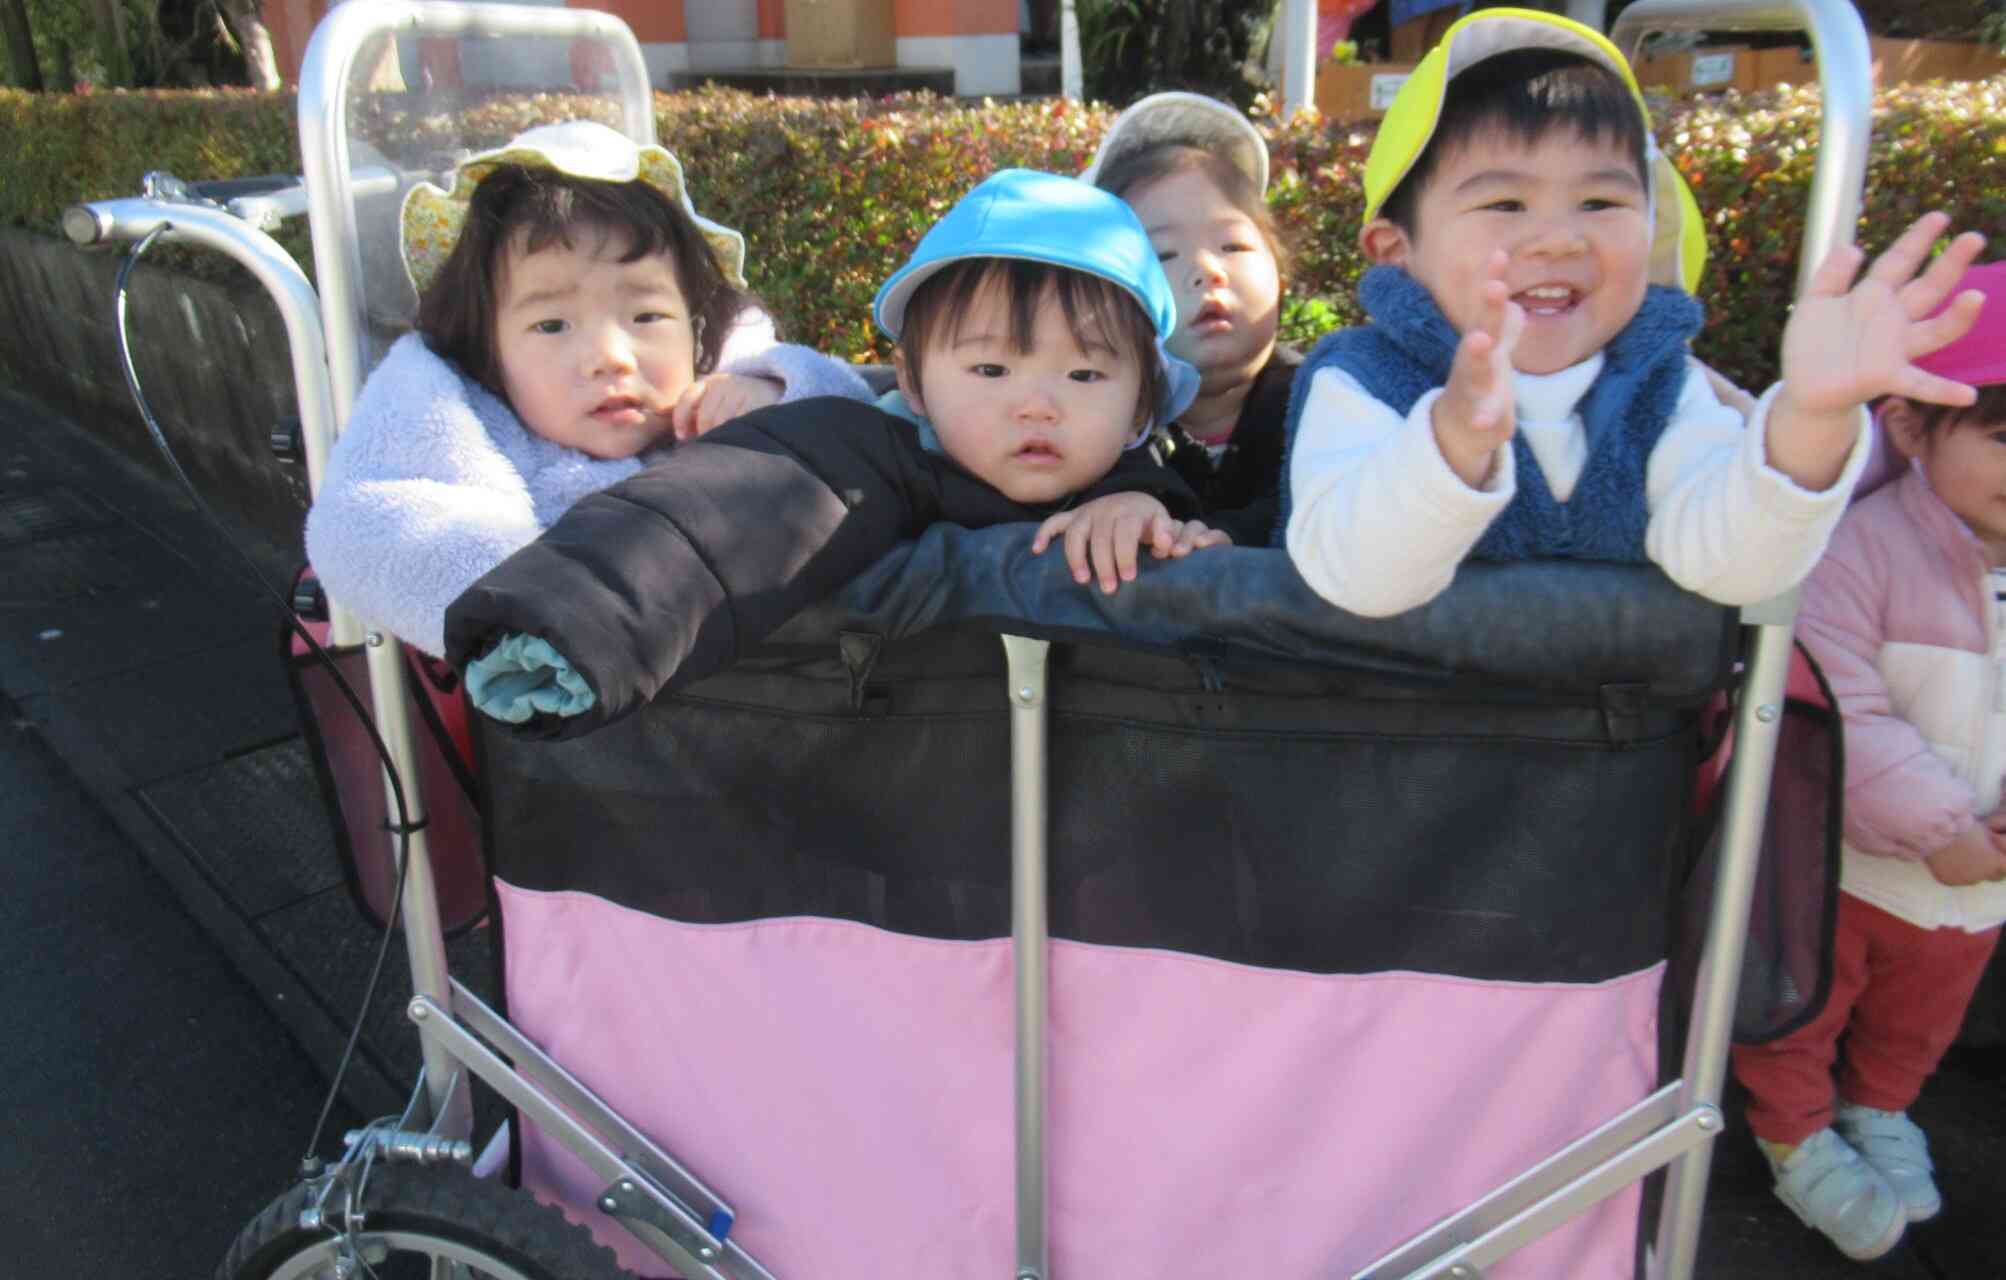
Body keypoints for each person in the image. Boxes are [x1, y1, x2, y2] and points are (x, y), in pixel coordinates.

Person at [442, 168, 1224, 736]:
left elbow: (1226, 570)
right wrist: (574, 627)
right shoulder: (864, 452)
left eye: (1085, 372)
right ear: (914, 383)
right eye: (989, 368)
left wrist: (1149, 510)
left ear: (1142, 405)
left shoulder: (1137, 487)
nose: (1036, 402)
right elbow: (712, 524)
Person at [1281, 9, 1987, 619]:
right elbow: (1355, 579)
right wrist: (1452, 443)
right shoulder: (1362, 382)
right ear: (1395, 249)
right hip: (1382, 757)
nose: (1560, 238)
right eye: (1505, 204)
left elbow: (1730, 564)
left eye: (1601, 203)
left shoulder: (1660, 390)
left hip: (1610, 764)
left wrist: (1814, 418)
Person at [303, 120, 873, 656]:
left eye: (646, 316)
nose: (610, 358)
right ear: (488, 351)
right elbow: (375, 522)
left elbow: (864, 429)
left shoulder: (730, 392)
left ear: (699, 323)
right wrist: (543, 609)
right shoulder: (472, 429)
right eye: (551, 325)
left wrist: (779, 402)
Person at [1729, 261, 2006, 1262]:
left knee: (1920, 1016)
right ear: (1908, 425)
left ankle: (1880, 1105)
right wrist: (1941, 823)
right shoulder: (1863, 549)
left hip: (1974, 890)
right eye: (2000, 435)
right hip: (1842, 867)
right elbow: (1837, 699)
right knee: (1797, 1007)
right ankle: (1791, 1128)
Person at [1081, 91, 1299, 547]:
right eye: (1163, 255)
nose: (1206, 270)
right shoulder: (1102, 423)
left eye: (1233, 246)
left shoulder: (1325, 400)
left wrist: (1232, 539)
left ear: (1280, 272)